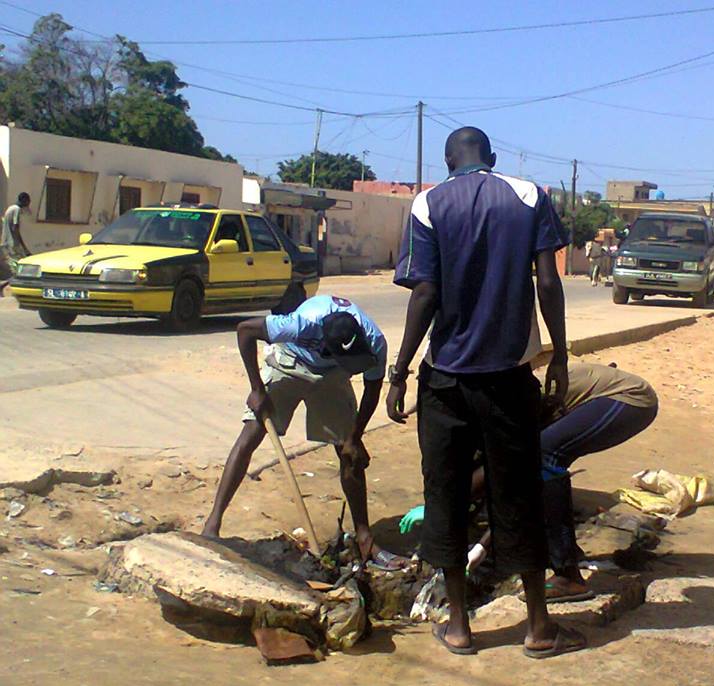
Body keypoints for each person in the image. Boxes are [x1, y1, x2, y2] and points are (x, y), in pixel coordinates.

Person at [387, 126, 585, 658]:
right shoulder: (528, 196)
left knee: (445, 494)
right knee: (516, 494)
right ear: (491, 158)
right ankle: (539, 627)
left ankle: (458, 627)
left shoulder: (427, 205)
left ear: (449, 161)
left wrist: (400, 370)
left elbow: (424, 292)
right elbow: (548, 283)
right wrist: (560, 355)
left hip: (446, 382)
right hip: (509, 380)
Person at [401, 362, 659, 602]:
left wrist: (446, 513)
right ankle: (566, 553)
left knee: (547, 456)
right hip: (600, 402)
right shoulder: (491, 416)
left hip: (629, 399)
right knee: (543, 461)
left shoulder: (506, 408)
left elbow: (508, 478)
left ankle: (568, 577)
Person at [202, 294, 405, 571]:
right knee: (251, 433)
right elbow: (245, 331)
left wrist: (355, 436)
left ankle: (364, 537)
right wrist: (257, 388)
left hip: (332, 375)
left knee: (350, 453)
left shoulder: (374, 341)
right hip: (292, 360)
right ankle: (212, 526)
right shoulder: (301, 324)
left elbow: (372, 388)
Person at [1, 192, 32, 292]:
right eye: (27, 202)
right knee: (21, 266)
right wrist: (23, 245)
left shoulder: (9, 208)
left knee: (16, 268)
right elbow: (15, 227)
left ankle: (4, 286)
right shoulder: (16, 209)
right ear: (23, 200)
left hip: (6, 243)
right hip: (13, 243)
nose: (28, 204)